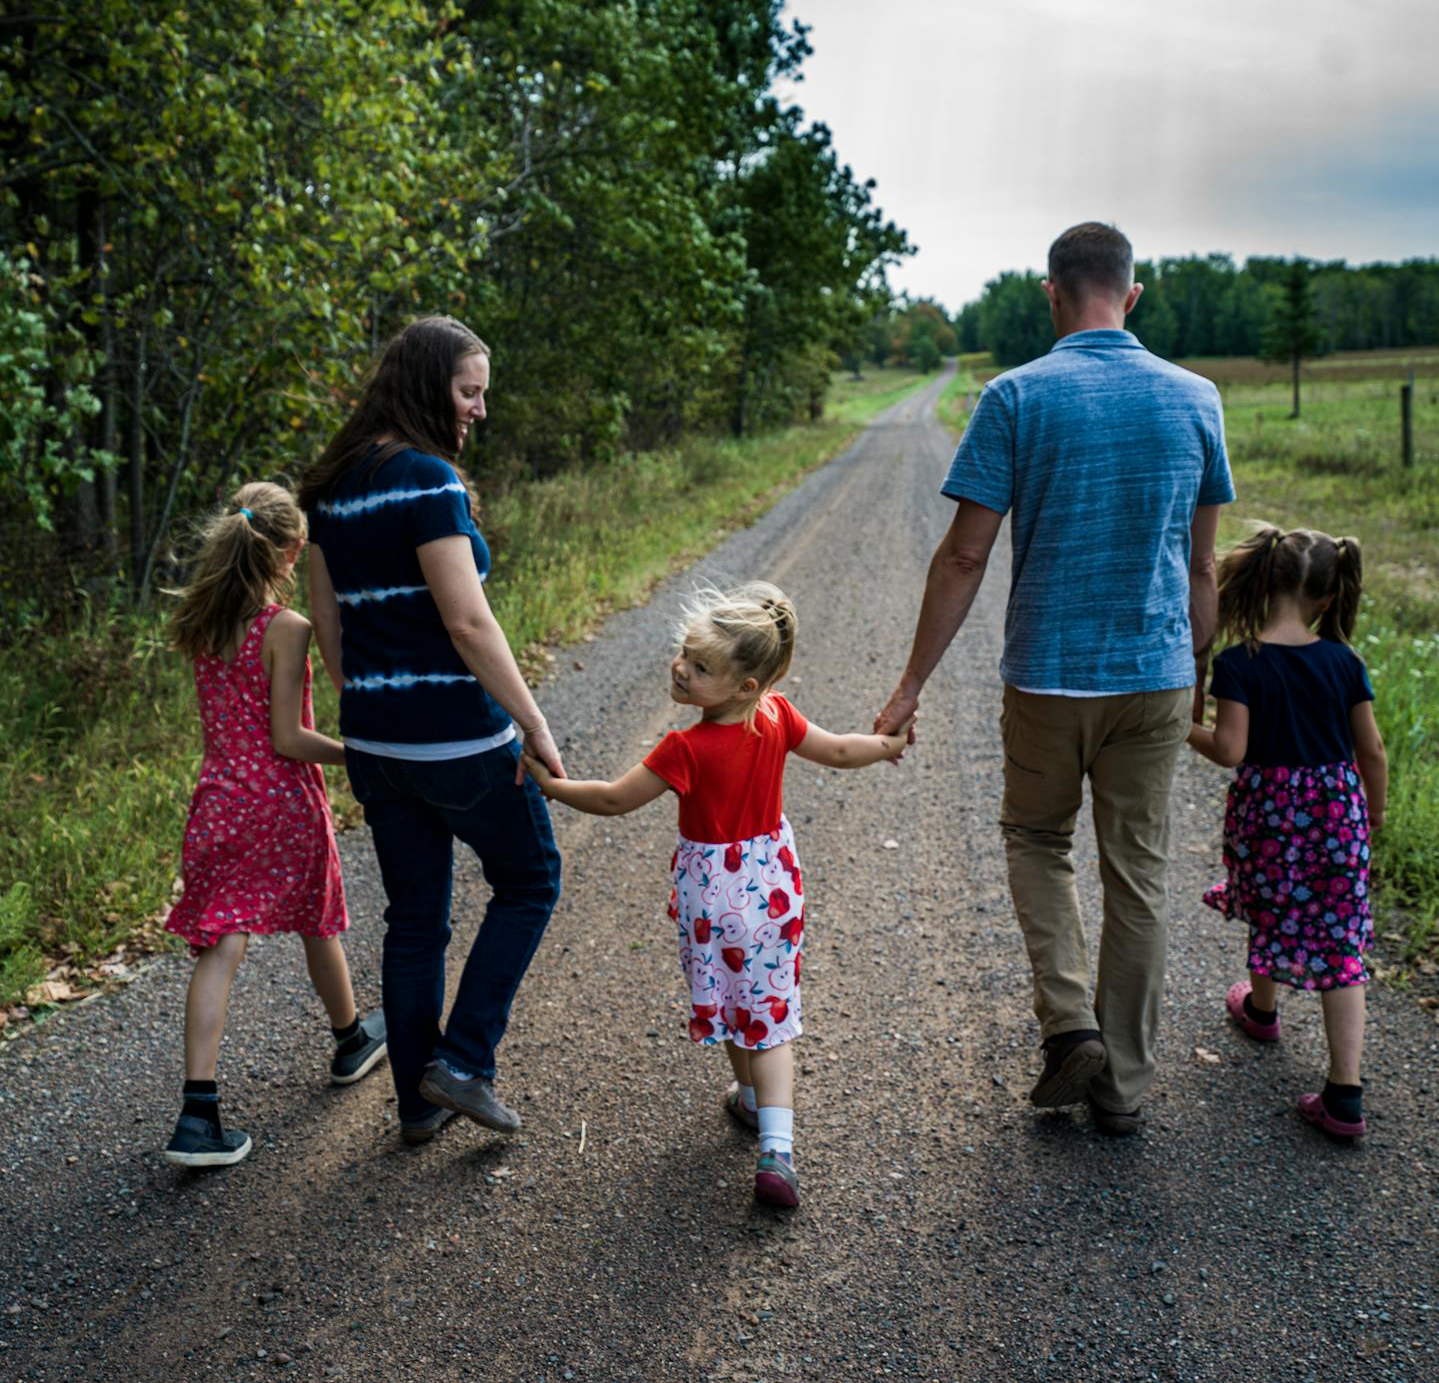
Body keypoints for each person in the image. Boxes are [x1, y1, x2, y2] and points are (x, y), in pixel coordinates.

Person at [874, 221, 1233, 1136]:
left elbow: (963, 557)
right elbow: (1202, 567)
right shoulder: (1197, 397)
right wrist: (1196, 671)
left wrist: (912, 682)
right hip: (1153, 676)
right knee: (1139, 874)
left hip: (1045, 678)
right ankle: (1123, 1088)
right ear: (1133, 293)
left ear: (1050, 292)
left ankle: (1070, 1021)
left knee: (1037, 837)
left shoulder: (1015, 397)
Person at [523, 582, 910, 1209]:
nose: (681, 667)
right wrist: (889, 745)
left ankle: (755, 1104)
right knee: (771, 1008)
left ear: (744, 686)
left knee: (733, 992)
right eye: (685, 653)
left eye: (700, 667)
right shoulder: (778, 718)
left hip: (711, 897)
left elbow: (615, 799)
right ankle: (774, 1140)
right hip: (772, 890)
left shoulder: (686, 748)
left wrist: (551, 786)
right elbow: (840, 750)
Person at [300, 317, 566, 1145]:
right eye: (468, 390)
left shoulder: (329, 488)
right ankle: (464, 1061)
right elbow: (469, 622)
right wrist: (533, 721)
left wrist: (378, 709)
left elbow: (328, 627)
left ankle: (417, 1105)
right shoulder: (427, 482)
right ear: (426, 387)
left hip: (376, 744)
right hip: (459, 740)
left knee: (415, 918)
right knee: (530, 879)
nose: (479, 409)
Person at [160, 481, 387, 1168]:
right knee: (319, 919)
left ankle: (198, 1112)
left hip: (218, 801)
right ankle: (349, 1038)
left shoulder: (205, 624)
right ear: (292, 552)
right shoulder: (286, 628)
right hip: (281, 802)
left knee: (221, 947)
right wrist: (357, 750)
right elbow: (288, 737)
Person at [1186, 524, 1387, 1139]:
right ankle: (1344, 1093)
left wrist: (1177, 723)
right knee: (1339, 942)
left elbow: (1228, 749)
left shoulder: (1240, 663)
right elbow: (1371, 750)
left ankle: (1263, 1010)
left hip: (1270, 814)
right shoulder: (1343, 660)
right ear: (1329, 597)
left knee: (1272, 905)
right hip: (1337, 813)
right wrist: (1371, 817)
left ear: (1264, 581)